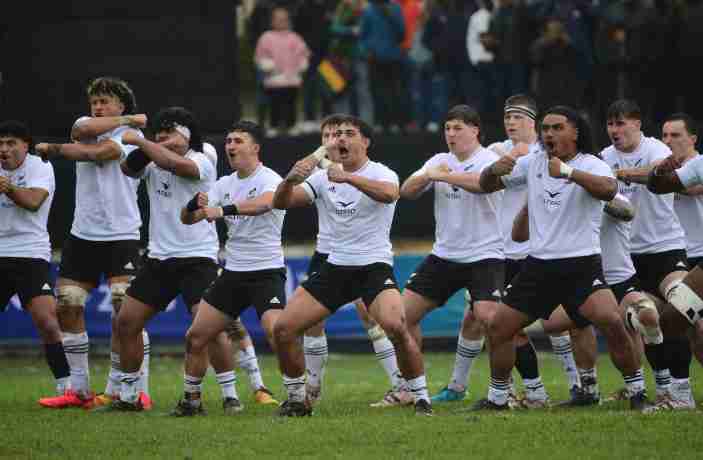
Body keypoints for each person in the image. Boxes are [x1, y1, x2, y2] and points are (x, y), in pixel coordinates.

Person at [475, 105, 647, 411]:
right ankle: (497, 398)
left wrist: (568, 172)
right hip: (539, 266)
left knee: (611, 321)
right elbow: (485, 185)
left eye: (557, 128)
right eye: (545, 128)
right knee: (498, 328)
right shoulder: (532, 163)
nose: (549, 134)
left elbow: (609, 190)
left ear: (575, 132)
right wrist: (492, 171)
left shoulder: (592, 164)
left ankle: (637, 391)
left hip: (581, 263)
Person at [272, 114, 432, 416]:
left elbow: (389, 194)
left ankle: (420, 396)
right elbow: (281, 203)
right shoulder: (321, 178)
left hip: (373, 267)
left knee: (397, 328)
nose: (341, 139)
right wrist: (289, 180)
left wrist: (347, 177)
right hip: (336, 268)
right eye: (337, 135)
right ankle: (297, 398)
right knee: (283, 329)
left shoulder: (382, 173)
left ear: (366, 141)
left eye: (349, 134)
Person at [400, 104, 534, 405]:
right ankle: (410, 388)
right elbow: (406, 191)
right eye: (447, 129)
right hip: (444, 256)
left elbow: (481, 186)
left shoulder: (491, 160)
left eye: (458, 128)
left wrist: (444, 177)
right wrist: (429, 175)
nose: (451, 134)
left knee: (493, 321)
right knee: (400, 318)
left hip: (485, 256)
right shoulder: (439, 160)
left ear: (475, 130)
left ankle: (503, 390)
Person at [98, 107, 228, 412]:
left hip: (198, 258)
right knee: (126, 322)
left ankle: (210, 396)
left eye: (169, 132)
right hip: (159, 258)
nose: (162, 138)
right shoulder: (153, 157)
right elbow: (128, 169)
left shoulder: (203, 156)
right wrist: (150, 147)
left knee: (205, 331)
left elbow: (176, 164)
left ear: (185, 134)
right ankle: (130, 397)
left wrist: (142, 142)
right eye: (159, 133)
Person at [35, 76, 150, 410]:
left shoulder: (133, 136)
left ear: (122, 105)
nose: (98, 107)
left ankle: (131, 388)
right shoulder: (84, 124)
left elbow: (102, 153)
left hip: (122, 233)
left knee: (125, 312)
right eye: (95, 102)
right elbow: (83, 135)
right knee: (67, 304)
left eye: (105, 101)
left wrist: (56, 150)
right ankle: (80, 390)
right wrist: (70, 146)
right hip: (83, 232)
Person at [170, 121, 286, 416]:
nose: (230, 146)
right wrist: (192, 204)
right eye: (229, 141)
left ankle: (297, 395)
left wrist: (222, 210)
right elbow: (189, 219)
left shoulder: (271, 179)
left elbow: (265, 204)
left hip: (266, 271)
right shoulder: (223, 184)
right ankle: (191, 402)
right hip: (233, 273)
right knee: (196, 337)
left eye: (238, 141)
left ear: (255, 148)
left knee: (278, 334)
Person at [302, 114, 410, 408]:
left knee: (372, 317)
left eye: (340, 135)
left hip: (362, 255)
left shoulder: (358, 171)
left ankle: (401, 383)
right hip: (327, 253)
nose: (334, 141)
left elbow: (384, 192)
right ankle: (311, 387)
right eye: (327, 137)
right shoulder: (321, 172)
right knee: (312, 322)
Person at [601, 100, 693, 411]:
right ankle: (666, 389)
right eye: (611, 124)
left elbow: (658, 174)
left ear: (638, 124)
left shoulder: (656, 149)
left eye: (621, 123)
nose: (615, 130)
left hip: (666, 249)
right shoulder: (603, 158)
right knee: (646, 318)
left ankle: (682, 390)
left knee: (684, 305)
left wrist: (619, 174)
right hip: (627, 258)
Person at [0, 121, 72, 398]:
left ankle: (65, 385)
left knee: (47, 321)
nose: (5, 149)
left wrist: (7, 188)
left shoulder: (39, 166)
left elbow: (33, 202)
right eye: (1, 143)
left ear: (25, 145)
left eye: (11, 143)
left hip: (30, 253)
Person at [254, 6, 311, 136]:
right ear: (272, 21)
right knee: (275, 104)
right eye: (278, 19)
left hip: (292, 80)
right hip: (274, 79)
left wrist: (302, 64)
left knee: (291, 103)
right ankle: (274, 125)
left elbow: (303, 53)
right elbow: (260, 55)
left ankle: (291, 124)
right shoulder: (266, 37)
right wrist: (266, 65)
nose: (281, 22)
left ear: (289, 21)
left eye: (284, 19)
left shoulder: (295, 37)